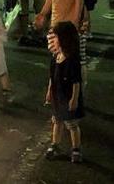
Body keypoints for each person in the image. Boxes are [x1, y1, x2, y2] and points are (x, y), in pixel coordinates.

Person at [44, 21, 84, 164]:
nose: (52, 40)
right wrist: (49, 92)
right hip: (57, 96)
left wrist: (74, 99)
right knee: (57, 121)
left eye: (55, 37)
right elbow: (51, 77)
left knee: (72, 124)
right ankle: (55, 145)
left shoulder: (72, 60)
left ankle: (76, 149)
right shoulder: (55, 58)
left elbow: (76, 82)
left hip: (68, 97)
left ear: (64, 39)